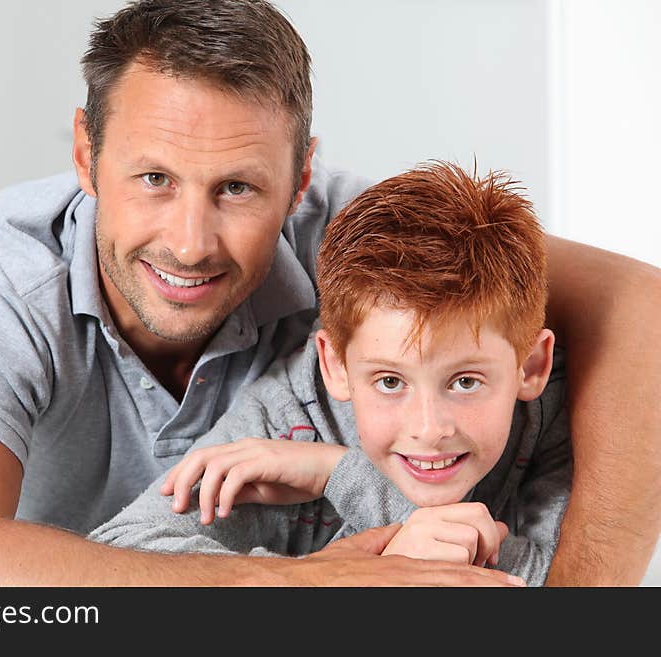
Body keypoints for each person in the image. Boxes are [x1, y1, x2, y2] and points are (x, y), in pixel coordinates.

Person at [0, 0, 658, 586]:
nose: (192, 242)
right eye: (154, 176)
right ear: (86, 156)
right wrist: (296, 588)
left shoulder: (352, 233)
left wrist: (574, 608)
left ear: (301, 175)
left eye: (237, 188)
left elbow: (641, 305)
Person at [89, 161, 571, 586]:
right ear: (335, 365)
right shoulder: (292, 412)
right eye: (389, 382)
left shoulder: (559, 415)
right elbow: (116, 556)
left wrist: (336, 472)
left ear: (531, 366)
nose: (428, 429)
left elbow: (579, 582)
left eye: (465, 382)